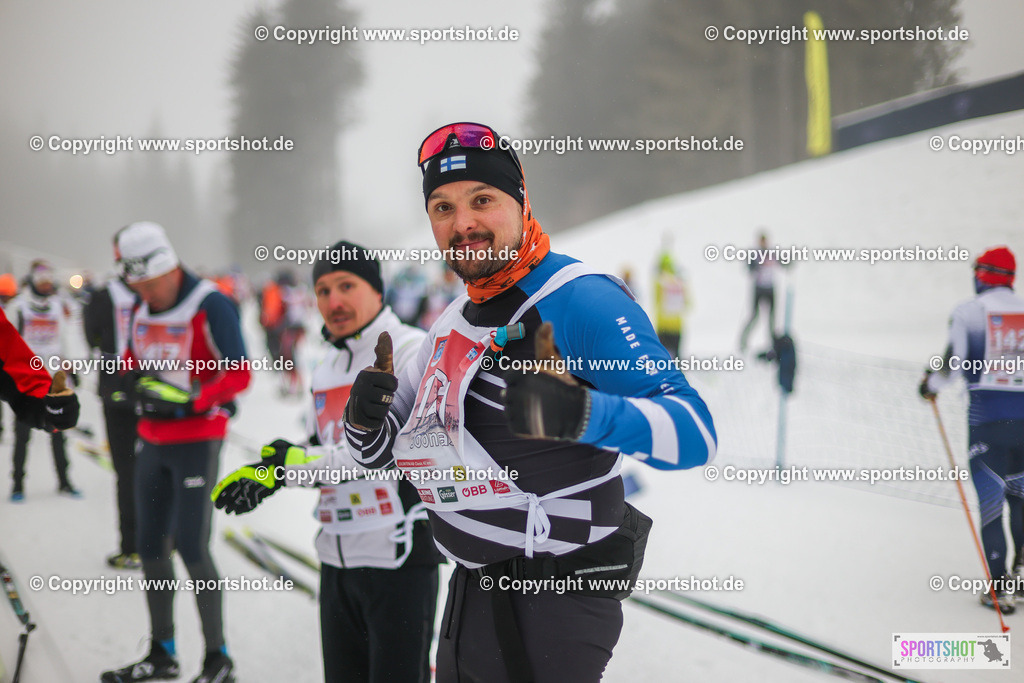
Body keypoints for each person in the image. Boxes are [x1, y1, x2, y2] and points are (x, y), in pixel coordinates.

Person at [343, 122, 717, 682]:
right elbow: (383, 448)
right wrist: (364, 417)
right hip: (469, 591)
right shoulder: (452, 319)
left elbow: (694, 434)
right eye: (442, 208)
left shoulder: (579, 299)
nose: (463, 222)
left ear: (521, 202)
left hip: (556, 598)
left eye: (482, 200)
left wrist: (585, 416)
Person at [212, 242, 444, 683]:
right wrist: (272, 465)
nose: (333, 301)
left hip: (397, 559)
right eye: (322, 290)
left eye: (346, 286)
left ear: (377, 291)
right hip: (337, 555)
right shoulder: (328, 365)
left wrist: (284, 471)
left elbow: (377, 456)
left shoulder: (414, 351)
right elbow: (325, 443)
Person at [101, 222, 250, 683]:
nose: (145, 292)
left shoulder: (210, 303)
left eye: (148, 283)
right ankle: (163, 654)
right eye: (135, 285)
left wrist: (193, 399)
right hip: (153, 439)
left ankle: (217, 658)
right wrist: (126, 380)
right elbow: (131, 356)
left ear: (167, 268)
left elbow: (240, 372)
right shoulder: (140, 306)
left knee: (192, 547)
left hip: (197, 441)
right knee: (150, 548)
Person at [920, 245, 1024, 614]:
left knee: (993, 505)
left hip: (987, 424)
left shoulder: (969, 312)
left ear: (984, 274)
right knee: (1021, 500)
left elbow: (951, 365)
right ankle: (1022, 576)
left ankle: (1001, 590)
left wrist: (929, 385)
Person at [83, 269, 142, 569]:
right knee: (152, 468)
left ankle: (132, 547)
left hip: (118, 389)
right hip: (147, 390)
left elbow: (91, 336)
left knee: (128, 472)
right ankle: (158, 543)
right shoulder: (154, 290)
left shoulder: (103, 295)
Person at [9, 260, 79, 500]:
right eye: (43, 282)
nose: (47, 286)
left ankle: (64, 481)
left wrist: (71, 366)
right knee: (22, 435)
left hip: (54, 380)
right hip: (27, 381)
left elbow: (63, 339)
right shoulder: (20, 306)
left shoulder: (57, 306)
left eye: (50, 282)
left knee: (58, 433)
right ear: (35, 283)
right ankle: (17, 484)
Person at [0, 306, 79, 434]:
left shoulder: (55, 304)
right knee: (21, 435)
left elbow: (9, 355)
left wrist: (47, 402)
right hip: (39, 362)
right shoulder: (19, 305)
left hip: (47, 366)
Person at [739, 231, 779, 352]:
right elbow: (748, 268)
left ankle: (773, 344)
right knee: (754, 315)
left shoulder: (772, 253)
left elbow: (783, 262)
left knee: (772, 318)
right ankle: (743, 341)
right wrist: (754, 265)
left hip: (770, 288)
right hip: (759, 288)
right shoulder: (755, 254)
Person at [653, 250, 690, 358]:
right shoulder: (680, 282)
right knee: (677, 355)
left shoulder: (659, 282)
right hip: (677, 326)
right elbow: (687, 303)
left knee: (662, 356)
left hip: (662, 325)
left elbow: (656, 300)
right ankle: (678, 373)